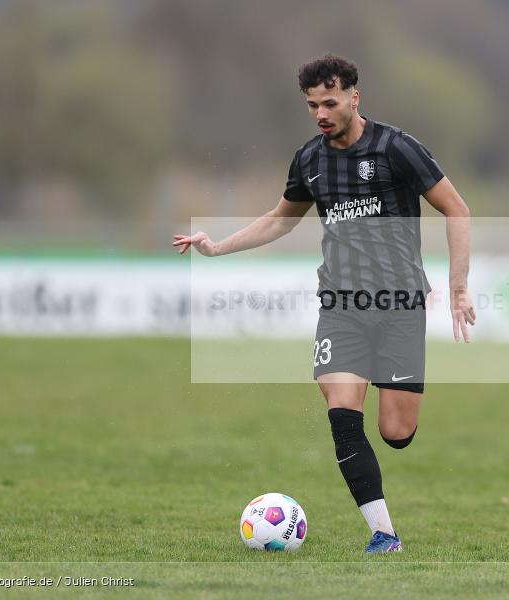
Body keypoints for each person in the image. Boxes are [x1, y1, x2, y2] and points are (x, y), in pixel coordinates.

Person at [173, 54, 475, 553]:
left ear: (355, 98)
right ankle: (384, 534)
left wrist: (459, 285)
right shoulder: (310, 159)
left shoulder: (397, 148)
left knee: (397, 432)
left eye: (330, 102)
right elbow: (279, 219)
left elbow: (457, 209)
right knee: (342, 414)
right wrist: (217, 247)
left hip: (401, 305)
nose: (321, 113)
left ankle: (391, 443)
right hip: (341, 305)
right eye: (313, 105)